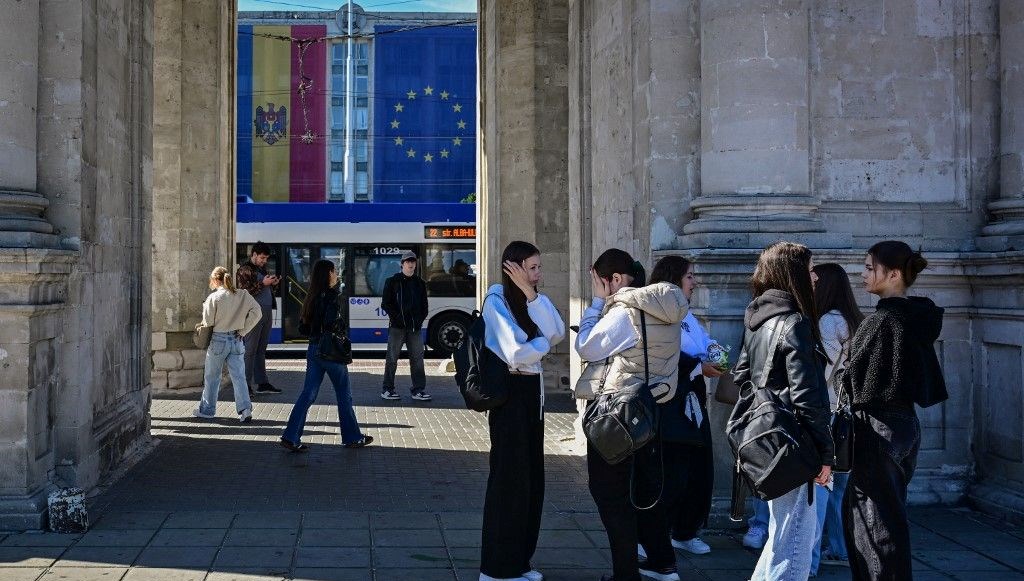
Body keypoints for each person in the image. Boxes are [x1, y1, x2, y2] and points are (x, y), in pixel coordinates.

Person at [575, 248, 687, 581]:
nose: (598, 288)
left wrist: (596, 304)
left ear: (616, 280)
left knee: (610, 494)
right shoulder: (666, 307)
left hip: (620, 414)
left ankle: (626, 574)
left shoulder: (625, 311)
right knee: (643, 491)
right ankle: (662, 562)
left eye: (599, 282)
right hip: (653, 411)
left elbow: (587, 346)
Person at [843, 241, 946, 581]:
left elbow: (856, 381)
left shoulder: (883, 320)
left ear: (894, 274)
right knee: (889, 518)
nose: (863, 274)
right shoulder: (918, 316)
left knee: (875, 529)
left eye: (870, 268)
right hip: (905, 426)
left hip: (878, 427)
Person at [731, 242, 833, 581]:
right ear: (793, 275)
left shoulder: (757, 320)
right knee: (794, 548)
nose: (815, 276)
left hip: (766, 439)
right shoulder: (795, 323)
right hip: (795, 442)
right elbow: (808, 398)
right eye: (809, 268)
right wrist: (825, 453)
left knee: (781, 539)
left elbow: (741, 380)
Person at [478, 241, 565, 581]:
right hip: (511, 400)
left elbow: (556, 328)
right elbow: (515, 353)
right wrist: (542, 346)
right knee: (509, 484)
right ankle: (496, 568)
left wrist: (531, 294)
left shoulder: (529, 300)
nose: (538, 274)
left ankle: (518, 561)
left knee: (530, 483)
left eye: (538, 267)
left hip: (532, 398)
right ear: (511, 268)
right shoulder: (496, 301)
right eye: (532, 268)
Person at [646, 256, 718, 557]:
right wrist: (700, 366)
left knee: (699, 469)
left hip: (694, 400)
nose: (694, 282)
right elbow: (664, 355)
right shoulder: (658, 314)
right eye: (690, 276)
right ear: (674, 279)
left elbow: (704, 341)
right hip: (670, 402)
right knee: (672, 471)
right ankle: (653, 535)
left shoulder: (687, 315)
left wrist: (715, 353)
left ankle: (685, 530)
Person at [280, 259, 372, 451]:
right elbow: (332, 323)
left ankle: (291, 435)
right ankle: (352, 437)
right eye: (335, 271)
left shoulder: (311, 297)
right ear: (328, 274)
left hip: (314, 350)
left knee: (308, 394)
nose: (337, 274)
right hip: (331, 352)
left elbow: (303, 328)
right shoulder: (331, 296)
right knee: (343, 394)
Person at [808, 263, 863, 575]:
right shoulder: (853, 320)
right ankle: (840, 548)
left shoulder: (828, 322)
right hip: (847, 416)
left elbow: (822, 372)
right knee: (840, 487)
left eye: (815, 281)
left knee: (819, 489)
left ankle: (811, 560)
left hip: (828, 413)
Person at [194, 266, 262, 423]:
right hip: (237, 339)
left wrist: (205, 308)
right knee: (239, 377)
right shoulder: (243, 294)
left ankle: (207, 410)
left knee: (212, 377)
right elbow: (257, 312)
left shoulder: (214, 298)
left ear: (215, 280)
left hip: (218, 340)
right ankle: (245, 410)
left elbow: (208, 322)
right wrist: (244, 330)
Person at [380, 250, 431, 401]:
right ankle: (387, 389)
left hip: (414, 328)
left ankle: (418, 390)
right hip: (397, 328)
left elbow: (424, 306)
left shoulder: (420, 283)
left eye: (413, 261)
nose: (411, 264)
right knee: (392, 359)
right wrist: (396, 319)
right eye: (408, 261)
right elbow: (386, 303)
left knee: (417, 359)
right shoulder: (392, 281)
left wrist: (419, 320)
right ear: (402, 264)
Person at [242, 241, 282, 395]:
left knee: (261, 349)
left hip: (265, 313)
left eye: (266, 259)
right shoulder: (245, 270)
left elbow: (264, 289)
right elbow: (244, 292)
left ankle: (262, 383)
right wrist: (262, 283)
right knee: (250, 350)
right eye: (262, 258)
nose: (264, 261)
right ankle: (245, 385)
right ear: (254, 255)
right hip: (253, 314)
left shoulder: (261, 269)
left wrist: (273, 284)